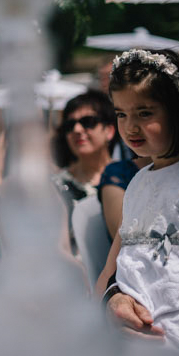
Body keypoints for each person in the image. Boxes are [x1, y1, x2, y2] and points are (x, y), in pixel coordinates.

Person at [96, 49, 179, 350]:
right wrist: (107, 303)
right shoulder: (137, 182)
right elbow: (111, 267)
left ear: (178, 111)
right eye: (121, 114)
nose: (130, 127)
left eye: (145, 113)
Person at [50, 90, 117, 254]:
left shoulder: (132, 179)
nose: (78, 129)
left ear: (109, 130)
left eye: (88, 122)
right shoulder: (54, 187)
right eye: (70, 125)